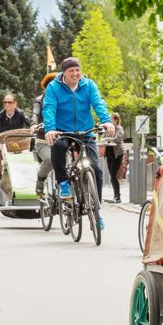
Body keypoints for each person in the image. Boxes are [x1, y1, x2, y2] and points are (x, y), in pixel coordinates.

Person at [43, 57, 115, 230]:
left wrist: (107, 121)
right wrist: (50, 129)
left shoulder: (89, 85)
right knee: (58, 147)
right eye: (71, 71)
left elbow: (98, 103)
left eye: (78, 70)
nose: (75, 74)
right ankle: (63, 184)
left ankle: (96, 208)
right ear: (64, 73)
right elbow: (49, 108)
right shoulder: (54, 87)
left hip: (85, 130)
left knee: (96, 168)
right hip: (62, 130)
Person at [31, 72, 57, 195]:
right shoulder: (40, 100)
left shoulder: (63, 99)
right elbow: (35, 114)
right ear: (46, 87)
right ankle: (40, 179)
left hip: (61, 139)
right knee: (50, 160)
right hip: (43, 140)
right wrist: (34, 125)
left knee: (70, 166)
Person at [101, 112, 125, 203]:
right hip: (109, 153)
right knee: (112, 175)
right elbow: (103, 137)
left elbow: (118, 139)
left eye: (111, 119)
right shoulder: (108, 129)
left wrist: (108, 139)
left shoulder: (119, 128)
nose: (110, 121)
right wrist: (104, 138)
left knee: (113, 175)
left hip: (117, 154)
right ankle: (116, 196)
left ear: (115, 120)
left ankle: (117, 196)